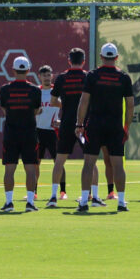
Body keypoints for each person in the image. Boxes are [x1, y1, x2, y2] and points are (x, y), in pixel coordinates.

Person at [74, 43, 134, 213]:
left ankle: (84, 201)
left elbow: (84, 101)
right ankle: (121, 202)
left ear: (101, 57)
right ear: (116, 57)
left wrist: (79, 123)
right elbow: (130, 105)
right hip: (115, 126)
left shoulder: (93, 75)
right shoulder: (123, 77)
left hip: (94, 125)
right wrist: (126, 126)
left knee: (88, 164)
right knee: (117, 165)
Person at [0, 56, 42, 212]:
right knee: (30, 169)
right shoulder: (35, 90)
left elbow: (4, 110)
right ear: (28, 70)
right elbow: (36, 111)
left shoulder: (5, 89)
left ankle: (9, 202)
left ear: (13, 70)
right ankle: (30, 203)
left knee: (9, 169)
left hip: (11, 134)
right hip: (29, 133)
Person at [47, 48, 87, 208]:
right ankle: (92, 195)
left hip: (66, 122)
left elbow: (52, 101)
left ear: (69, 61)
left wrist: (68, 106)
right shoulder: (87, 77)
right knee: (90, 160)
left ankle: (53, 197)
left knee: (59, 160)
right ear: (83, 61)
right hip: (84, 123)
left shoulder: (62, 78)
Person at [35, 65, 62, 198]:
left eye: (48, 75)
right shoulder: (35, 91)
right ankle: (33, 192)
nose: (46, 77)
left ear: (52, 76)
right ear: (39, 76)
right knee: (35, 162)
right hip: (38, 131)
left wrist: (61, 122)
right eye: (44, 75)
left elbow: (68, 107)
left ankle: (62, 192)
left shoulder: (57, 91)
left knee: (58, 161)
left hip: (53, 131)